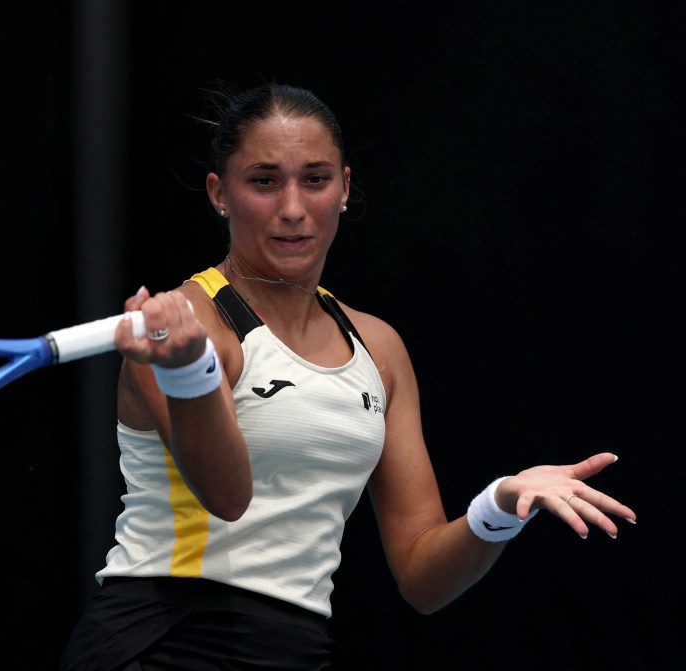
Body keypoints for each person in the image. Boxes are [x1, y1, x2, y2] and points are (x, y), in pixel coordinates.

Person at [58, 82, 637, 671]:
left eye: (315, 179)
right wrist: (191, 370)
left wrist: (500, 503)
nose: (292, 208)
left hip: (295, 651)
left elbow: (422, 576)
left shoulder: (378, 347)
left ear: (344, 189)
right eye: (264, 181)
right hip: (158, 641)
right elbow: (228, 498)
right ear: (220, 194)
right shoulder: (185, 327)